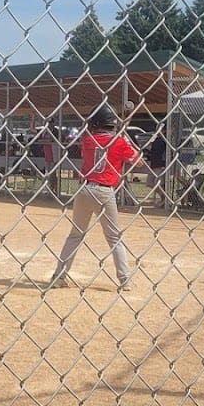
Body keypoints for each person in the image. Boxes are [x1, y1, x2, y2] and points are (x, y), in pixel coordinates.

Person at [47, 104, 141, 290]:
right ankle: (125, 280)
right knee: (114, 238)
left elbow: (102, 144)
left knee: (75, 235)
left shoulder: (88, 140)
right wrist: (125, 140)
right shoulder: (119, 142)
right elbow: (138, 162)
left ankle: (59, 276)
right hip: (105, 193)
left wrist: (119, 138)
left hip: (84, 190)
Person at [145, 129, 168, 208]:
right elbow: (153, 152)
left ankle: (164, 199)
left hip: (160, 165)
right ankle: (163, 197)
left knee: (158, 183)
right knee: (149, 183)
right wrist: (148, 153)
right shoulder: (156, 139)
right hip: (153, 164)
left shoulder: (165, 141)